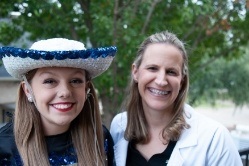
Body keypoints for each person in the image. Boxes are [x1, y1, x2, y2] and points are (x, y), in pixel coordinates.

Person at [110, 31, 243, 166]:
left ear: (182, 81)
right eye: (152, 68)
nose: (161, 81)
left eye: (171, 72)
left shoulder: (215, 139)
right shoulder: (119, 126)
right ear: (136, 72)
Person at [0, 38, 117, 166]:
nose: (65, 92)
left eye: (75, 81)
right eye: (50, 81)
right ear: (28, 90)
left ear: (86, 88)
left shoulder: (100, 137)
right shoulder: (4, 147)